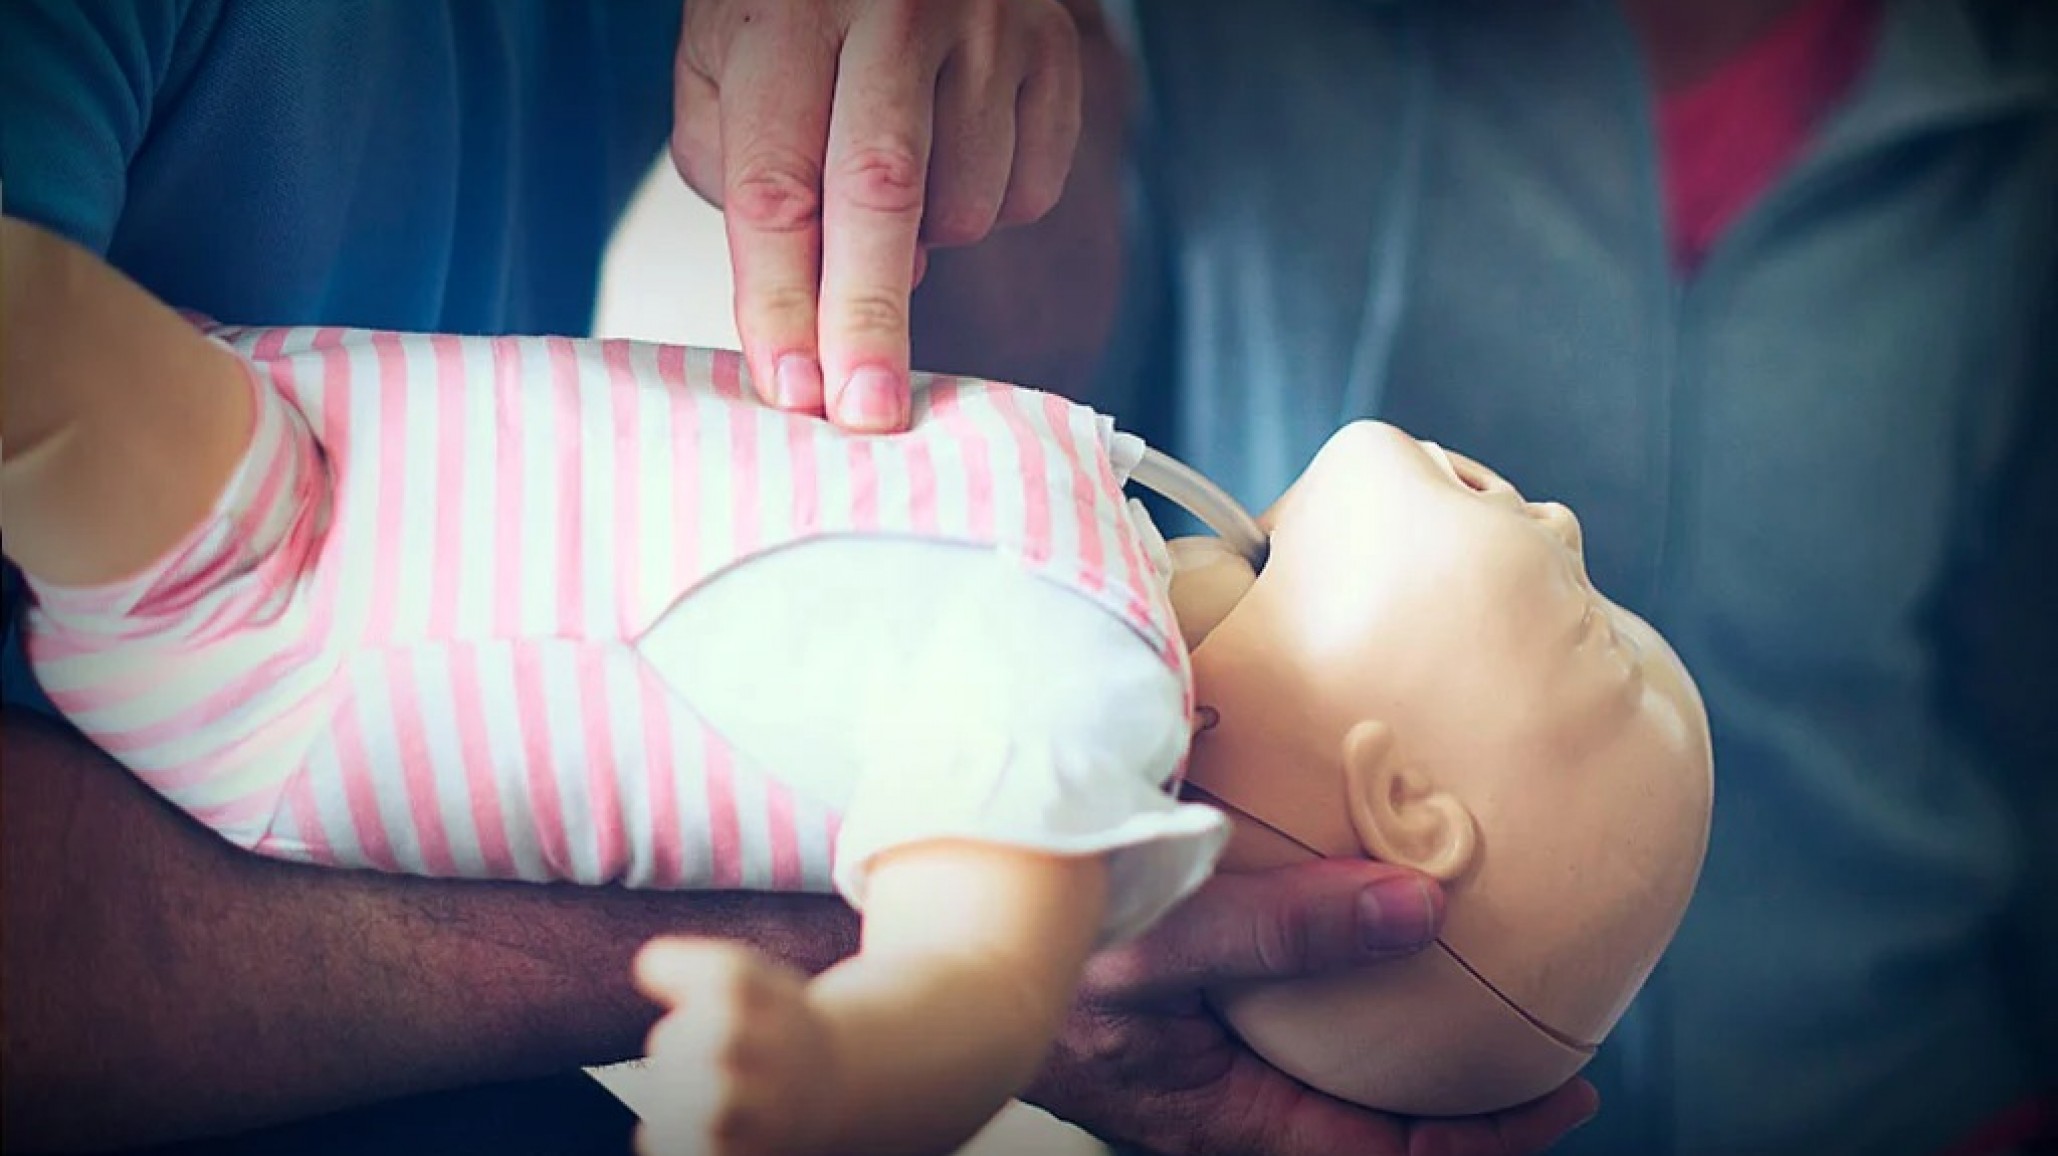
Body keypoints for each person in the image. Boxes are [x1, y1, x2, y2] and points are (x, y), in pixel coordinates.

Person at [0, 3, 1598, 1155]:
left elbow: (976, 973)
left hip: (269, 618)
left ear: (1405, 808)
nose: (1569, 532)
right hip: (286, 436)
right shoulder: (1111, 515)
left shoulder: (1089, 690)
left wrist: (857, 1071)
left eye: (1595, 646)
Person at [835, 1, 2050, 1154]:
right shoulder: (1208, 41)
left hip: (1923, 1091)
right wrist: (1017, 937)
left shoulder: (2007, 107)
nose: (1559, 524)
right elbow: (938, 462)